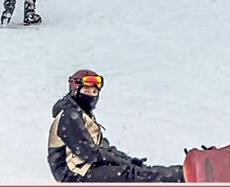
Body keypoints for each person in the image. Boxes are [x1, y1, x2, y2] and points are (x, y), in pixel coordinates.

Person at [48, 69, 185, 183]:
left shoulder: (84, 116)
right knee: (131, 175)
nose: (91, 96)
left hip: (84, 169)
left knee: (139, 171)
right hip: (72, 174)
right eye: (86, 91)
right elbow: (89, 152)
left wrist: (128, 160)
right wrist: (123, 163)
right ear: (75, 91)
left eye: (94, 92)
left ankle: (184, 174)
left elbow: (103, 149)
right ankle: (181, 178)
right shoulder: (69, 115)